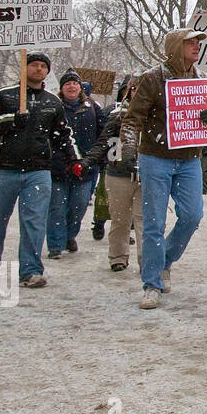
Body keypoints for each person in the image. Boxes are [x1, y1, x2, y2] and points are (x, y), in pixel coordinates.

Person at [122, 27, 207, 309]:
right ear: (175, 46)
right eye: (191, 43)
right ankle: (152, 283)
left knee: (192, 215)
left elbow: (204, 121)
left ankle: (164, 260)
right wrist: (128, 146)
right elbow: (132, 118)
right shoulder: (152, 78)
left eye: (199, 43)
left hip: (189, 159)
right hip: (155, 158)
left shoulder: (202, 80)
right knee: (153, 222)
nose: (197, 47)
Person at [0, 52, 83, 289]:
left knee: (34, 221)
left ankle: (31, 270)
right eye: (33, 65)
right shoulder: (4, 95)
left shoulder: (52, 102)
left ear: (47, 72)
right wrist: (11, 120)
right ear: (24, 68)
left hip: (38, 170)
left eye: (43, 66)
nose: (38, 69)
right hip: (3, 168)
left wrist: (74, 159)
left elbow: (63, 135)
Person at [84, 75, 142, 272]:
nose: (136, 92)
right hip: (118, 174)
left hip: (147, 175)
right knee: (120, 220)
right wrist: (88, 161)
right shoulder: (116, 115)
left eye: (140, 88)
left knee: (145, 223)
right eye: (132, 89)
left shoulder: (157, 116)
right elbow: (103, 142)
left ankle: (148, 261)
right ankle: (118, 257)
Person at [45, 69, 105, 258]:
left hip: (85, 167)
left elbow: (103, 134)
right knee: (57, 207)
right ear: (62, 88)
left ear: (80, 88)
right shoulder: (53, 106)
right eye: (67, 83)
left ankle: (70, 235)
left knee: (78, 207)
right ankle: (55, 244)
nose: (71, 86)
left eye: (75, 83)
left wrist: (97, 158)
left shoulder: (93, 107)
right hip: (57, 166)